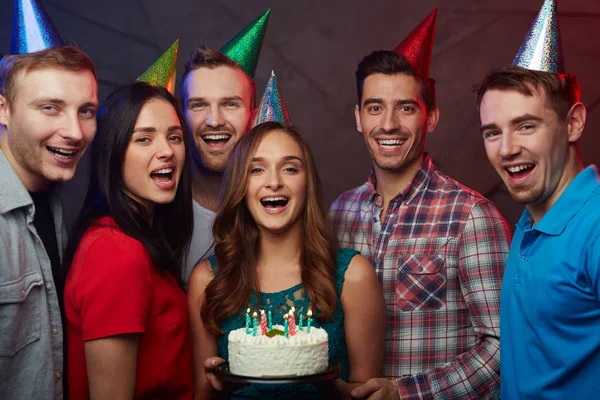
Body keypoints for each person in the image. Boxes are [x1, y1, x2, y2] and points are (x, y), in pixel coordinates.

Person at [330, 11, 512, 399]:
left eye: (406, 108)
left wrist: (406, 393)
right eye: (375, 107)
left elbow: (503, 347)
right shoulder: (336, 216)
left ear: (431, 118)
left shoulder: (471, 217)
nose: (389, 124)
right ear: (358, 118)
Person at [188, 121, 386, 399]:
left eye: (290, 168)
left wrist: (325, 382)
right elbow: (203, 397)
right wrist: (214, 383)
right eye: (256, 169)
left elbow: (368, 394)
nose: (274, 182)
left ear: (308, 183)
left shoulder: (353, 275)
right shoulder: (208, 280)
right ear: (240, 185)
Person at [476, 1, 600, 397]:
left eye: (525, 126)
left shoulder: (595, 228)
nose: (506, 148)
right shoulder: (529, 223)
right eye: (492, 132)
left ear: (573, 123)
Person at [62, 82, 194, 399]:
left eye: (174, 137)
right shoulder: (116, 251)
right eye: (144, 139)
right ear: (113, 152)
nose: (166, 151)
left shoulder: (137, 240)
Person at [0, 44, 98, 399]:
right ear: (3, 109)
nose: (74, 131)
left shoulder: (53, 203)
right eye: (50, 108)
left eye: (86, 111)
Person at [180, 47, 257, 282]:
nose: (214, 121)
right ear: (180, 117)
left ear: (253, 117)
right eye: (198, 105)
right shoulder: (156, 209)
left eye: (230, 104)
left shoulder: (273, 206)